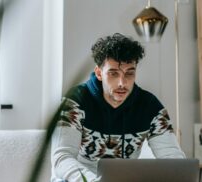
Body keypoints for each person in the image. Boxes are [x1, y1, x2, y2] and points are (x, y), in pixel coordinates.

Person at [51, 33, 185, 182]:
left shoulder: (150, 107)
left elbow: (173, 160)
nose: (122, 82)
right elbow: (62, 158)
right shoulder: (75, 101)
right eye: (113, 73)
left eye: (129, 73)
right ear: (99, 73)